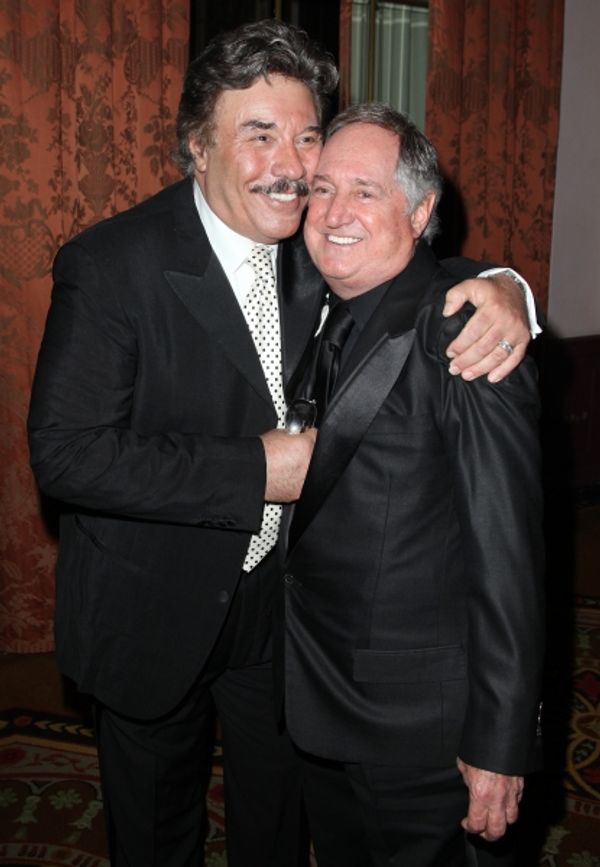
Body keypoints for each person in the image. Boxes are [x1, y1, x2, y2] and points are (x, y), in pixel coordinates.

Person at [27, 19, 535, 867]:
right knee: (156, 836)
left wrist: (504, 288)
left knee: (278, 830)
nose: (293, 166)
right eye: (259, 135)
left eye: (305, 136)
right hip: (154, 609)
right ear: (198, 145)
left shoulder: (312, 244)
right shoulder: (114, 264)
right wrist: (261, 467)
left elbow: (401, 256)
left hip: (285, 627)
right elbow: (68, 452)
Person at [279, 103, 545, 867]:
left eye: (365, 191)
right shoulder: (319, 299)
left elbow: (508, 559)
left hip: (421, 736)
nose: (333, 213)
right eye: (323, 188)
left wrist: (498, 744)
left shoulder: (466, 334)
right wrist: (505, 279)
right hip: (322, 703)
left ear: (422, 209)